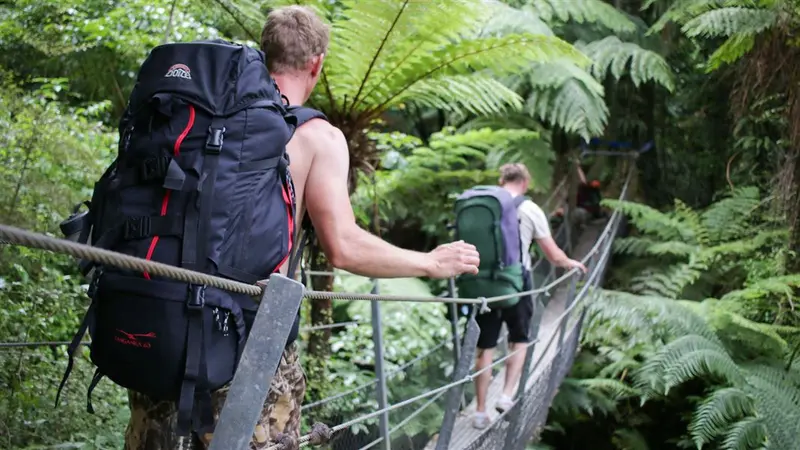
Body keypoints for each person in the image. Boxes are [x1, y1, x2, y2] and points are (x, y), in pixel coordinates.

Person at [123, 6, 480, 450]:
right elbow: (343, 247)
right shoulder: (316, 136)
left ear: (265, 53)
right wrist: (429, 262)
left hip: (159, 324)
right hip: (250, 345)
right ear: (317, 63)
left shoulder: (199, 118)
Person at [471, 163, 586, 429]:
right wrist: (570, 263)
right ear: (525, 182)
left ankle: (479, 411)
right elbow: (554, 255)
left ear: (501, 181)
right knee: (519, 339)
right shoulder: (530, 209)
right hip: (517, 283)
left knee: (485, 347)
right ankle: (505, 396)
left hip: (485, 284)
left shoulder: (485, 206)